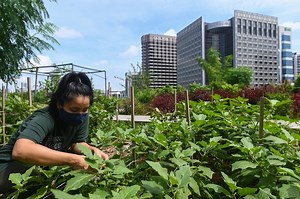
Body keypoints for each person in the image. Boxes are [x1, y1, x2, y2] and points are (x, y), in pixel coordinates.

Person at [0, 72, 109, 194]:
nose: (80, 114)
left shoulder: (82, 116)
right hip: (9, 168)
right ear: (59, 104)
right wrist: (75, 160)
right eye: (74, 109)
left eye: (85, 109)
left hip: (39, 168)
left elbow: (77, 143)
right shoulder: (45, 118)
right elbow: (21, 151)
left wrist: (92, 150)